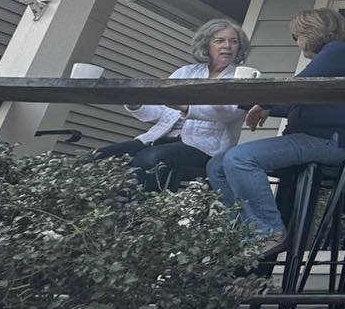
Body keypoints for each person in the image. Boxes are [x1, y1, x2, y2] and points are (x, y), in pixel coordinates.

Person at [207, 8, 345, 259]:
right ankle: (243, 232)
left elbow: (295, 89)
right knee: (217, 165)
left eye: (297, 37)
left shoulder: (339, 51)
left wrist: (264, 101)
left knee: (240, 158)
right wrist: (262, 107)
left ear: (311, 32)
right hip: (309, 140)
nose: (298, 44)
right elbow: (298, 101)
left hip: (330, 141)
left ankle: (268, 232)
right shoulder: (331, 59)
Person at [95, 19, 250, 191]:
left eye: (233, 41)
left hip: (203, 147)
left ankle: (142, 214)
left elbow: (230, 113)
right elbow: (160, 110)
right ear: (206, 45)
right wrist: (135, 104)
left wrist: (185, 107)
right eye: (220, 40)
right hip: (158, 138)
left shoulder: (243, 76)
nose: (227, 46)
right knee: (96, 157)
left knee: (150, 158)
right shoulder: (186, 71)